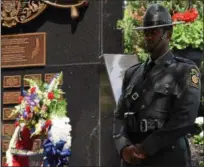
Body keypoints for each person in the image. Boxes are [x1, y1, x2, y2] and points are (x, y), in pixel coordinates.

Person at [113, 3, 201, 167]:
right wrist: (123, 147)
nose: (148, 36)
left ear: (169, 34)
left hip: (168, 157)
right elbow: (119, 115)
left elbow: (185, 118)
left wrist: (146, 147)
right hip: (134, 159)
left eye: (153, 32)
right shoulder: (132, 74)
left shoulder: (185, 71)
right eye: (146, 32)